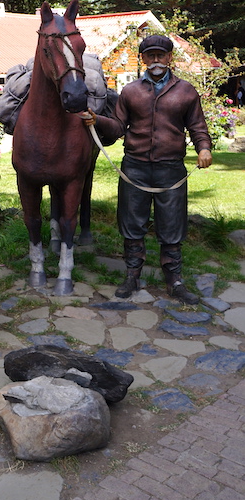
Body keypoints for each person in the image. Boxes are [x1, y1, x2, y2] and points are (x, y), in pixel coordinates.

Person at [83, 34, 212, 305]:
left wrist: (204, 148)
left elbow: (197, 126)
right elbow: (118, 127)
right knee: (132, 225)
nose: (155, 60)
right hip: (135, 168)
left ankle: (174, 280)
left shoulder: (186, 91)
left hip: (171, 169)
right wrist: (98, 121)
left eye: (160, 55)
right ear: (142, 59)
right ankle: (132, 275)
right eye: (150, 55)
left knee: (173, 226)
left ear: (169, 58)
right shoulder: (130, 92)